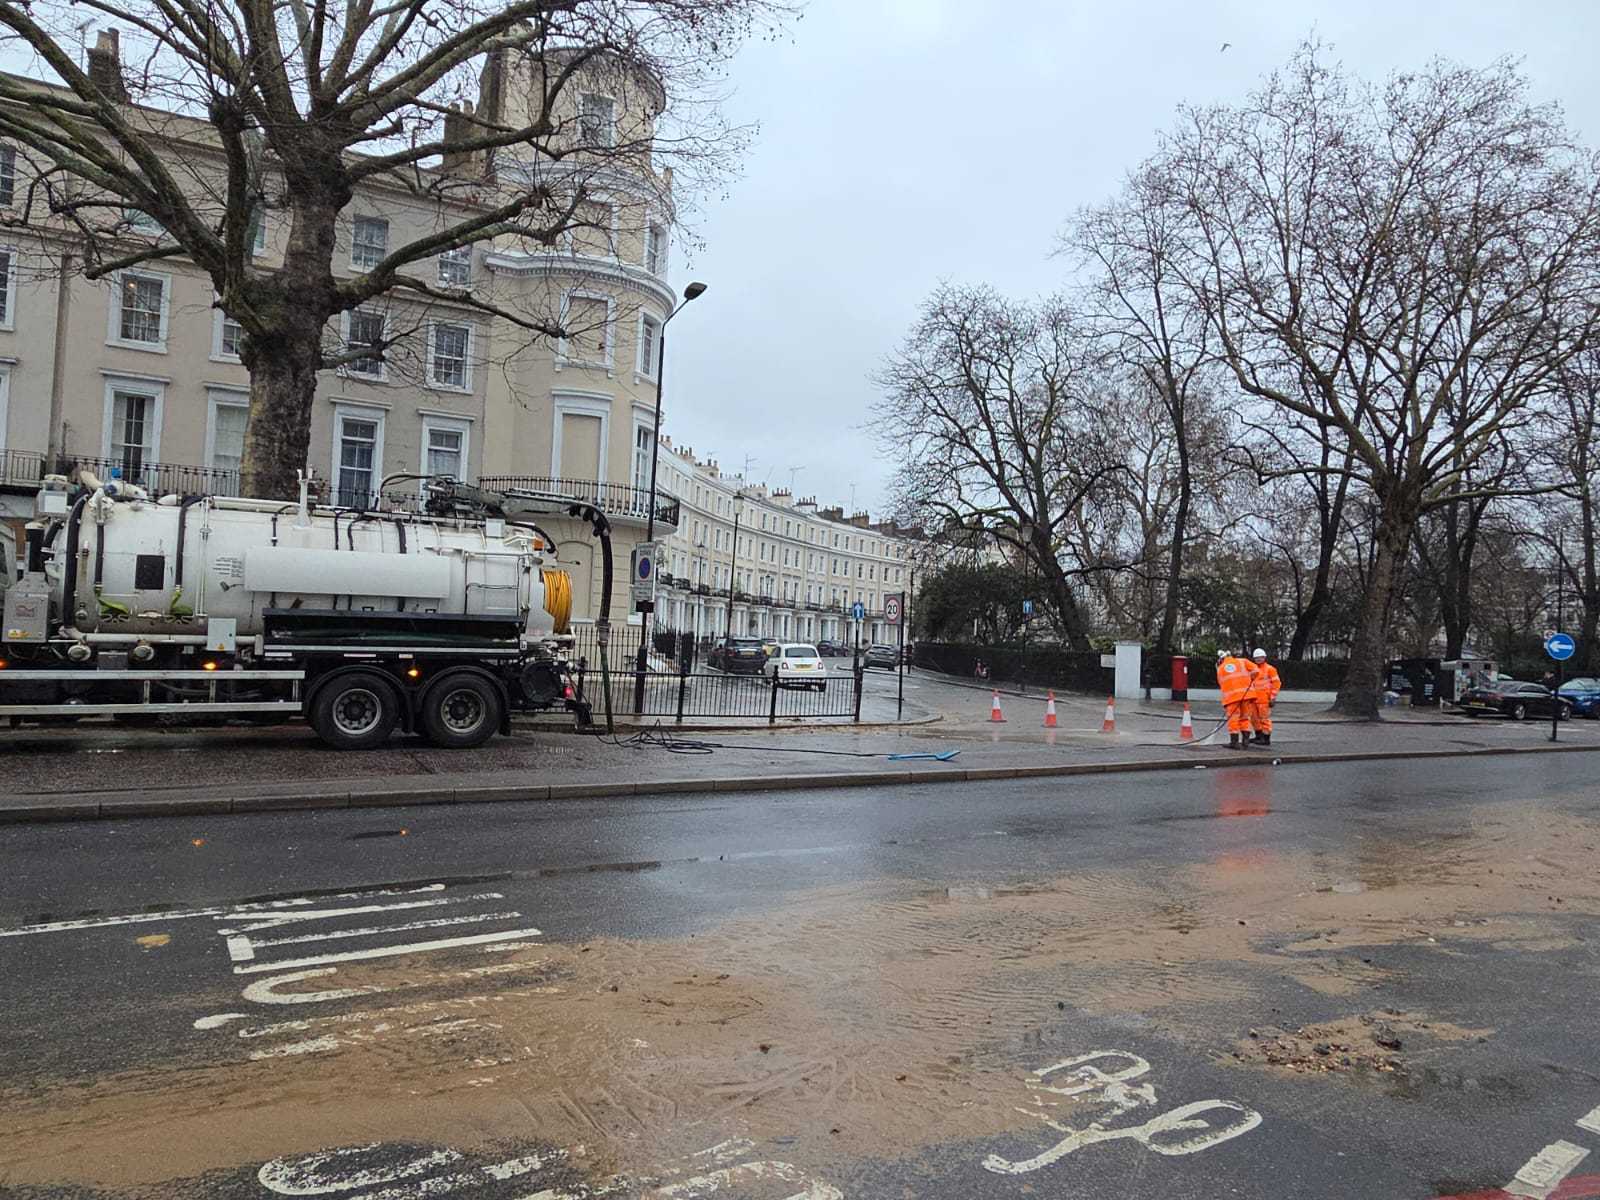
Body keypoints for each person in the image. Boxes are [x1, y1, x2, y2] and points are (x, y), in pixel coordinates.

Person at [1216, 647, 1255, 749]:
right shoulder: (1243, 661)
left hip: (1232, 698)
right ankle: (1246, 741)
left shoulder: (1220, 668)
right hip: (1246, 695)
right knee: (1245, 718)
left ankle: (1234, 742)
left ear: (1221, 659)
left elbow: (1221, 684)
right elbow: (1256, 670)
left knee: (1234, 719)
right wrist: (1250, 678)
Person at [1247, 647, 1281, 746]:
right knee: (1254, 719)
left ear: (1264, 657)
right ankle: (1258, 736)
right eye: (1256, 658)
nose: (1258, 659)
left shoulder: (1270, 669)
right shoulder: (1253, 669)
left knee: (1264, 719)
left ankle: (1266, 738)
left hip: (1264, 699)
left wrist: (1273, 697)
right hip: (1253, 698)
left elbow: (1276, 683)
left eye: (1260, 657)